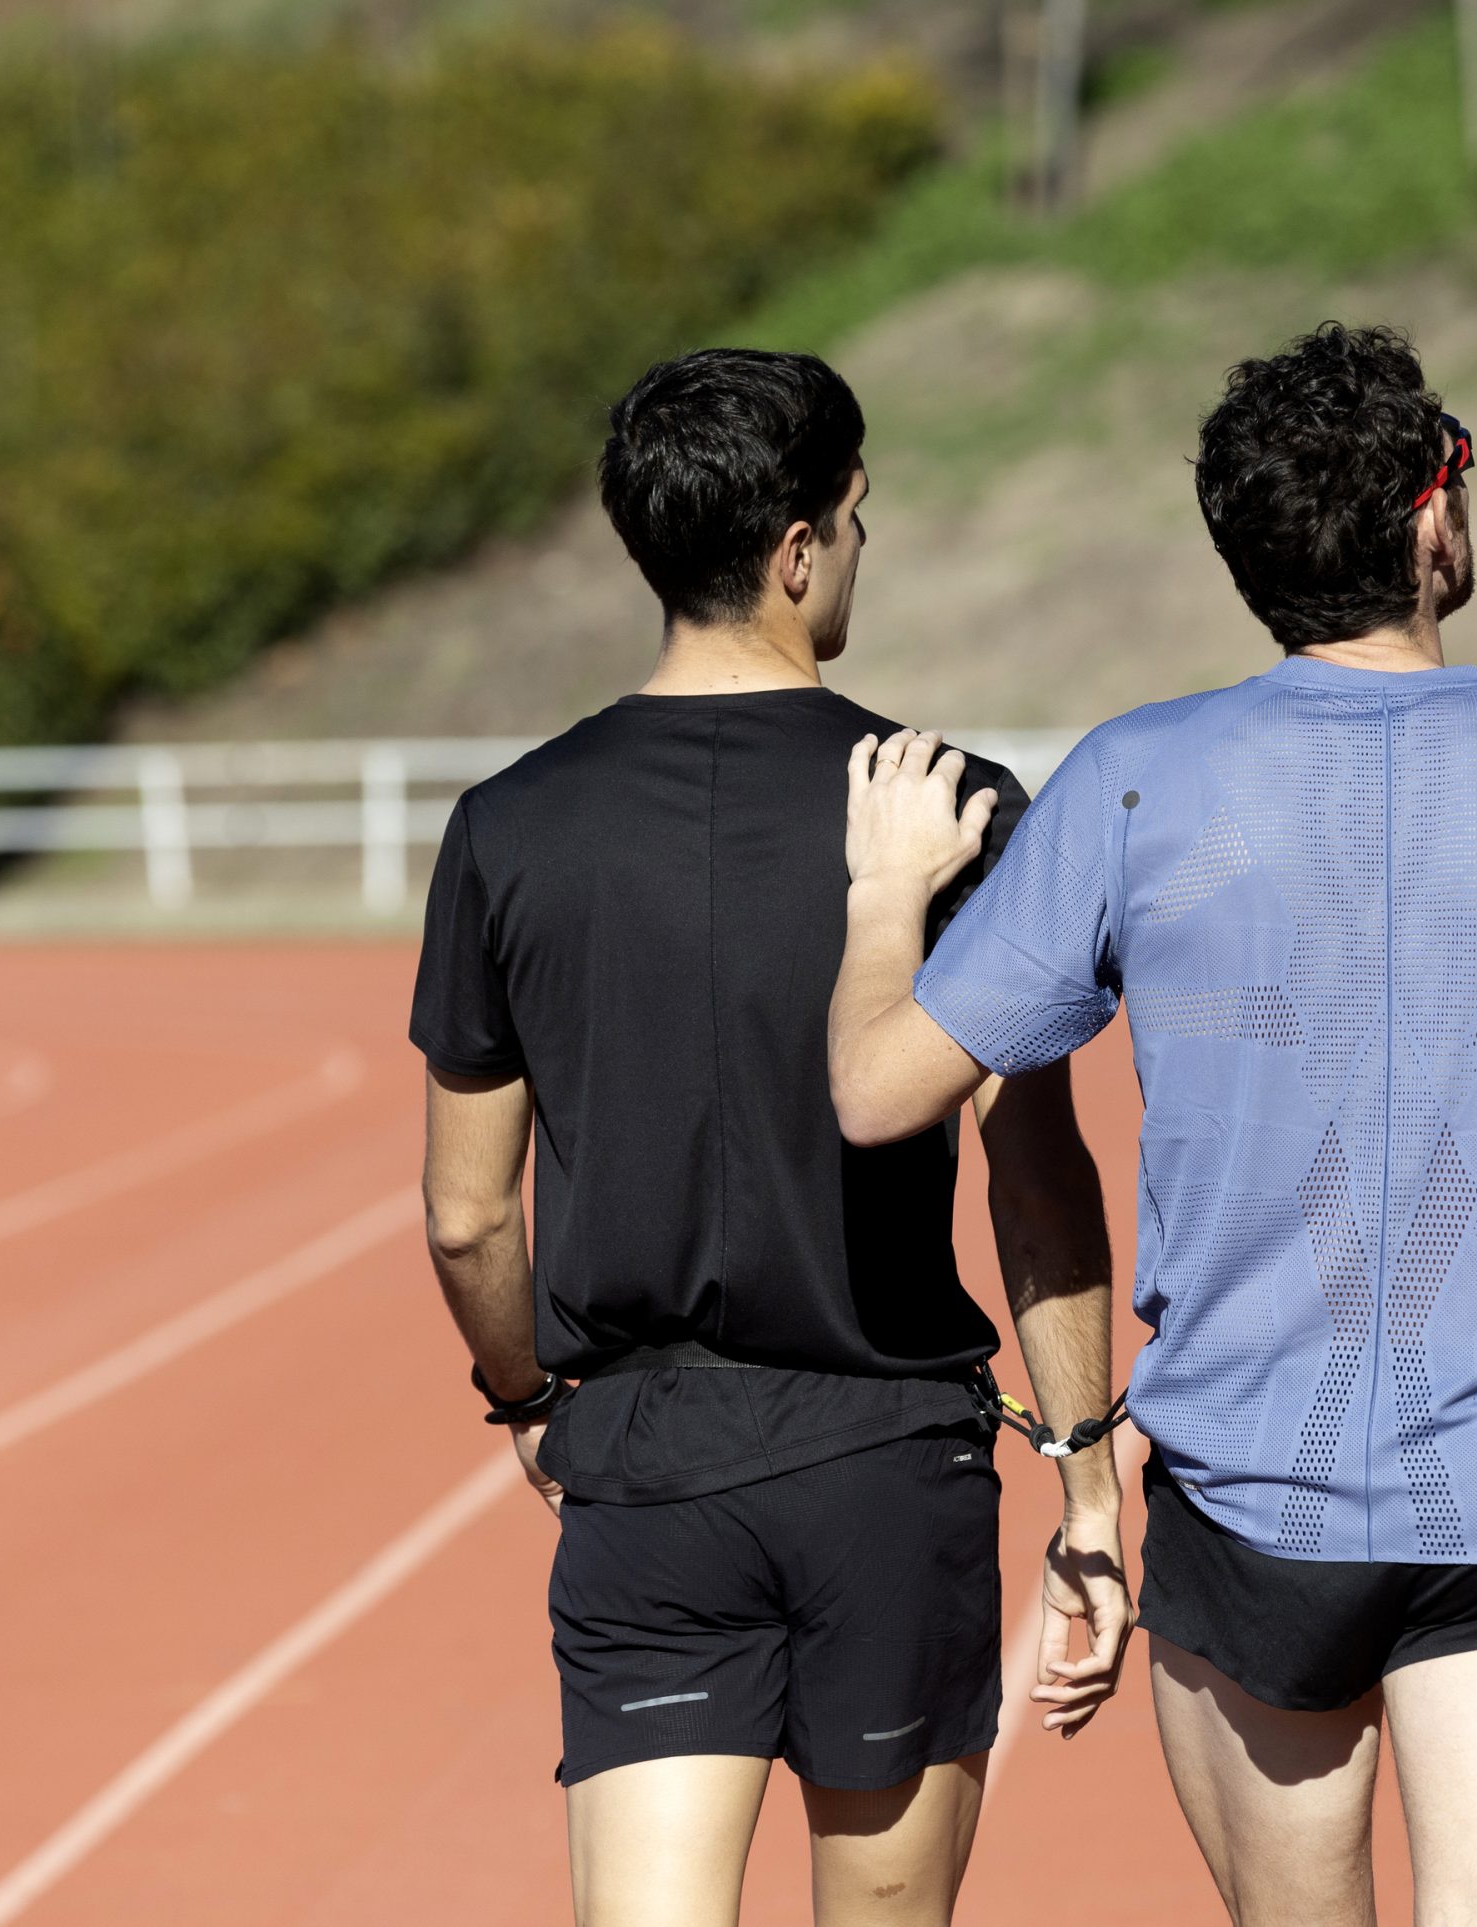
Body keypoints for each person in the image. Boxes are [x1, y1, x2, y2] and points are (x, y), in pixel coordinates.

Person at [827, 324, 1477, 1926]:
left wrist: (884, 900)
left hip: (1248, 1493)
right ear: (1434, 516)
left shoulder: (1132, 781)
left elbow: (879, 1091)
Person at [411, 347, 1131, 1927]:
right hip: (889, 1459)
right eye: (861, 517)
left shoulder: (508, 827)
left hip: (649, 1469)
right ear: (801, 546)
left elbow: (469, 1220)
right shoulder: (953, 809)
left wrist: (525, 1398)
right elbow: (1038, 1182)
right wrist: (1087, 1473)